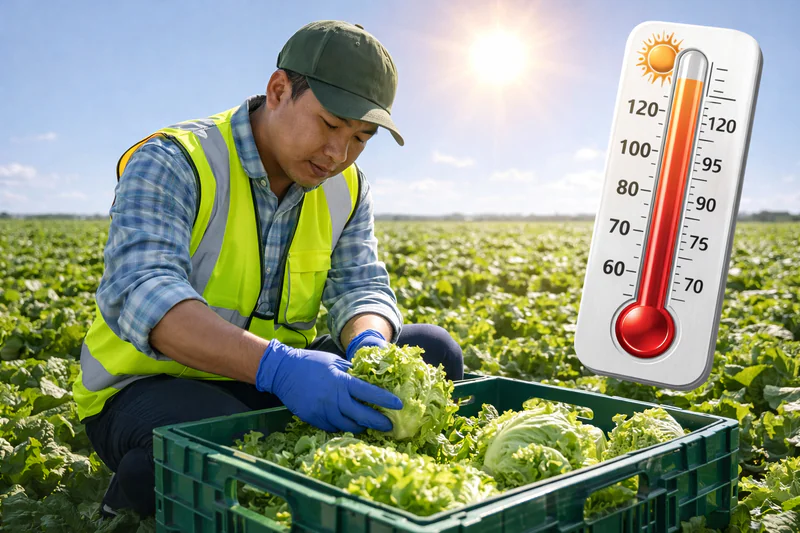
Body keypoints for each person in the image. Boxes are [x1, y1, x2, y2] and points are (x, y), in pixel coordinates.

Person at [72, 20, 464, 519]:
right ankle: (128, 497)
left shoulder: (347, 186)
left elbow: (361, 285)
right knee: (219, 440)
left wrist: (371, 346)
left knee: (433, 353)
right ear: (278, 90)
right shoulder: (175, 159)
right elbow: (149, 296)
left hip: (270, 382)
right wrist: (277, 368)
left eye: (361, 138)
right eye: (329, 125)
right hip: (149, 387)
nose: (337, 155)